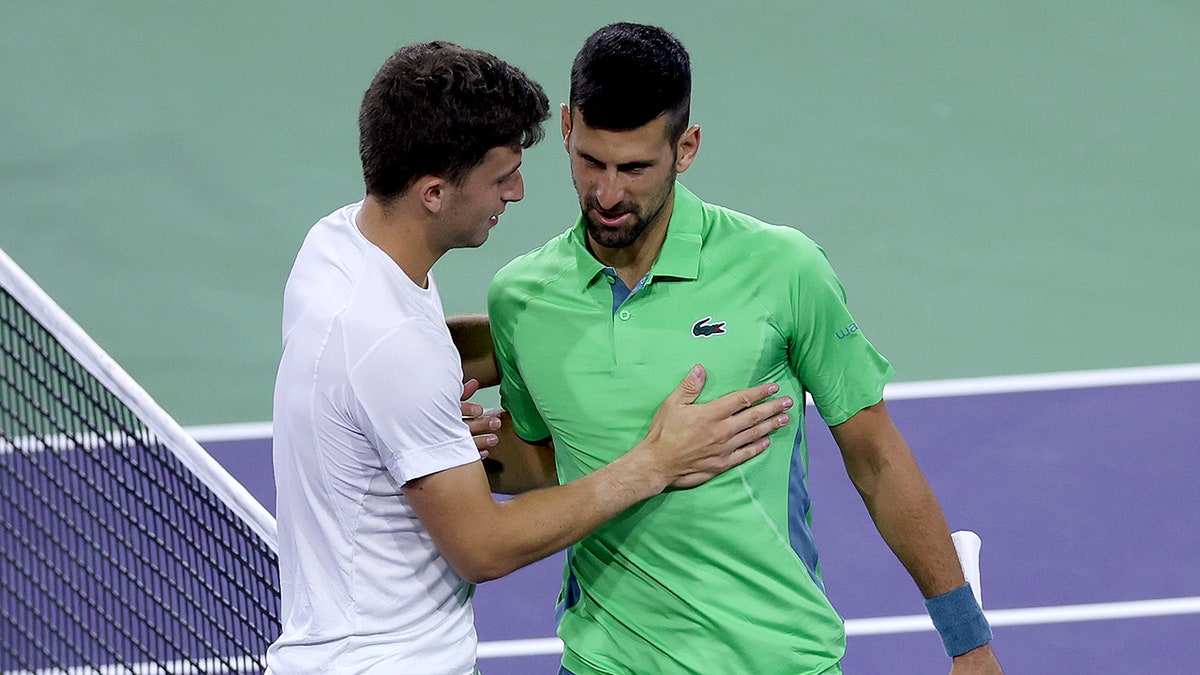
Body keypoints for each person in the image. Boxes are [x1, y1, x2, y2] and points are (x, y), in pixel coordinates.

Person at [482, 23, 1003, 674]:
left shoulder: (783, 269)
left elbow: (877, 459)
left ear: (687, 147)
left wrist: (969, 643)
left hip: (775, 659)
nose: (608, 194)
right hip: (604, 661)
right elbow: (543, 457)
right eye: (591, 162)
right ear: (565, 128)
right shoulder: (521, 299)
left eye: (636, 167)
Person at [265, 41, 796, 674]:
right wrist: (655, 463)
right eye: (500, 177)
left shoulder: (337, 246)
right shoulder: (392, 348)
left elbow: (385, 367)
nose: (517, 192)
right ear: (433, 192)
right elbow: (481, 550)